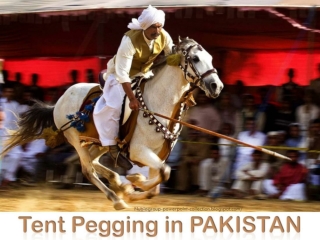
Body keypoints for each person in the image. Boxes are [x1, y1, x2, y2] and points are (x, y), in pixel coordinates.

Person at [93, 5, 173, 168]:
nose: (157, 31)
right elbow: (122, 74)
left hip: (144, 74)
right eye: (153, 27)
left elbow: (171, 56)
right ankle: (112, 148)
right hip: (120, 76)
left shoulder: (163, 36)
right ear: (145, 26)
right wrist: (131, 98)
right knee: (115, 105)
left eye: (159, 26)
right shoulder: (129, 40)